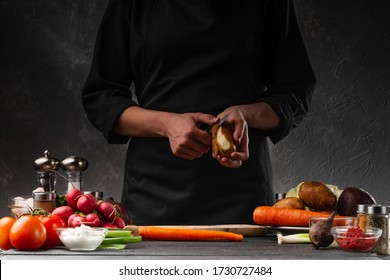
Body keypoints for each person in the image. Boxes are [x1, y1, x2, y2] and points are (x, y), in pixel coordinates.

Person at [82, 0, 316, 225]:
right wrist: (166, 125)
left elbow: (294, 92)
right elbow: (101, 97)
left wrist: (247, 114)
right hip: (153, 193)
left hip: (240, 193)